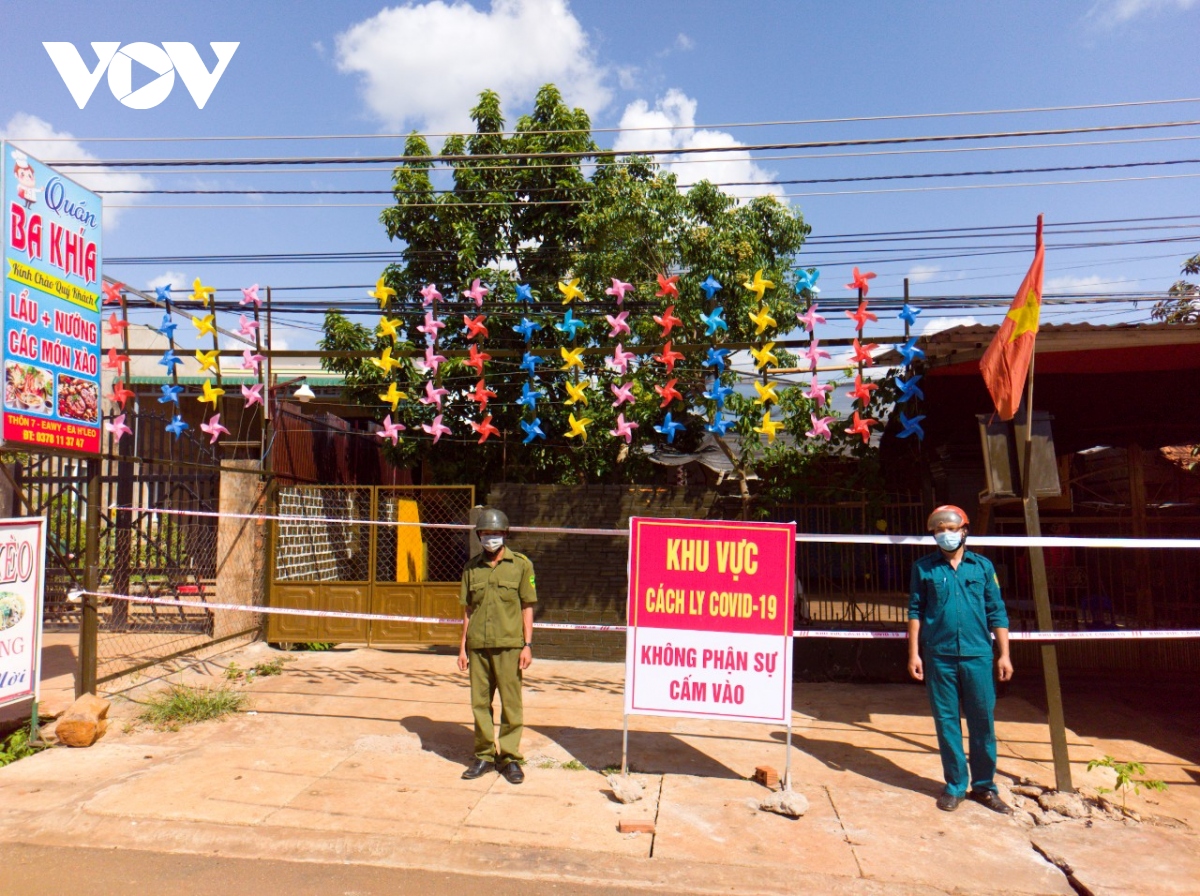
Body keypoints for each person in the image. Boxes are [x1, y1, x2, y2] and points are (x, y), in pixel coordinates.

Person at [907, 505, 1014, 814]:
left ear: (964, 531)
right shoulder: (924, 568)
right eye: (939, 530)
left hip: (978, 656)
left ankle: (984, 787)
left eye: (951, 529)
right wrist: (914, 652)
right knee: (947, 723)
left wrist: (1004, 654)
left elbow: (997, 611)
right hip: (939, 657)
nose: (945, 535)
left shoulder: (982, 567)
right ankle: (955, 786)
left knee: (983, 722)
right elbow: (915, 611)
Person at [457, 507, 536, 784]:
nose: (491, 538)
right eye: (486, 533)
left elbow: (527, 606)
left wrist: (527, 644)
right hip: (478, 646)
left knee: (511, 704)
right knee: (480, 703)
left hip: (510, 646)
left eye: (496, 533)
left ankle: (510, 758)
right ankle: (484, 755)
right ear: (479, 536)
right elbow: (468, 610)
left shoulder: (521, 565)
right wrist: (462, 647)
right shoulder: (471, 568)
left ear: (505, 535)